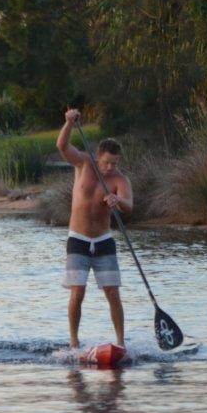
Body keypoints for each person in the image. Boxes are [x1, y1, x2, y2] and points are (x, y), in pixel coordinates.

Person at [56, 109, 133, 349]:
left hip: (103, 241)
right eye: (107, 162)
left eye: (115, 163)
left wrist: (117, 201)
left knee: (113, 293)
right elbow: (62, 145)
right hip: (78, 239)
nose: (110, 167)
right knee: (77, 292)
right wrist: (69, 122)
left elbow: (129, 206)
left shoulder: (120, 179)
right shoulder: (83, 163)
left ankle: (120, 343)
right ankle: (74, 342)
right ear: (98, 156)